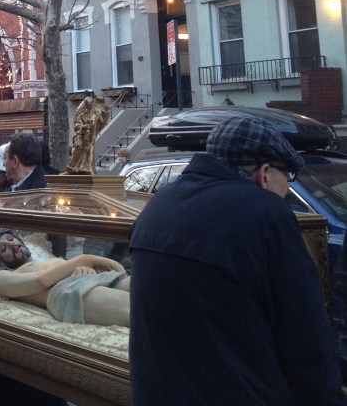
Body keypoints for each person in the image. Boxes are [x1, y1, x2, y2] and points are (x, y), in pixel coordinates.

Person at [129, 115, 347, 406]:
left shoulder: (159, 203)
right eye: (289, 175)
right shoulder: (266, 213)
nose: (286, 189)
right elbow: (305, 339)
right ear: (266, 173)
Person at [0, 230, 129, 326]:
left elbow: (120, 270)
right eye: (3, 249)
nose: (11, 244)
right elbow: (42, 280)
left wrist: (84, 268)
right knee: (137, 309)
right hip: (67, 290)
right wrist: (85, 259)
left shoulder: (48, 260)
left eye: (11, 239)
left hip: (94, 278)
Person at [66, 96, 109, 174]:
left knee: (90, 153)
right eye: (88, 103)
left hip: (91, 138)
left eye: (91, 103)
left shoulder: (94, 115)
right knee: (78, 152)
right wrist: (84, 127)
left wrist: (102, 113)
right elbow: (77, 126)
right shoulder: (81, 115)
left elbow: (101, 123)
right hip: (83, 138)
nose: (90, 105)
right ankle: (76, 167)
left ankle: (87, 168)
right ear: (85, 104)